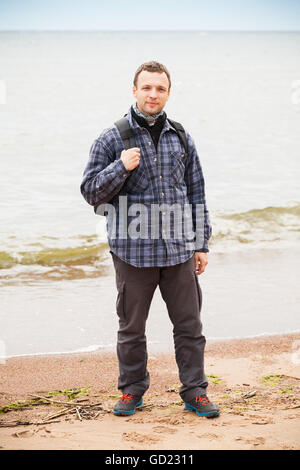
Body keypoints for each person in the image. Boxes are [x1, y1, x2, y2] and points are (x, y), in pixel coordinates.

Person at [80, 61, 219, 418]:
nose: (153, 94)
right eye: (147, 88)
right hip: (132, 252)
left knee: (190, 327)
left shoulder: (181, 136)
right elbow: (91, 193)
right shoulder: (111, 138)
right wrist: (120, 167)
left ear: (168, 93)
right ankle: (131, 391)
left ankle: (195, 392)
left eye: (160, 89)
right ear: (134, 91)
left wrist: (201, 243)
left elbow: (196, 192)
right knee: (131, 329)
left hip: (178, 251)